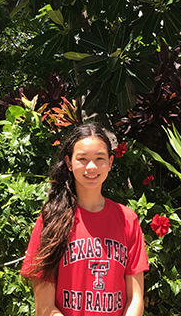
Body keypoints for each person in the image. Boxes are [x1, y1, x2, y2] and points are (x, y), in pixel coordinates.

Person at [21, 123, 149, 316]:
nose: (91, 166)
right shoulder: (51, 219)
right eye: (82, 159)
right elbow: (44, 307)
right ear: (69, 162)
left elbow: (135, 298)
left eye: (99, 158)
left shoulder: (127, 219)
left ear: (110, 163)